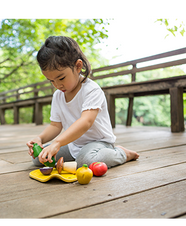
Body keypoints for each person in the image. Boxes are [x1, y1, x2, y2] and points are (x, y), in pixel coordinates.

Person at [26, 36, 139, 169]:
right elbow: (55, 126)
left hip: (99, 143)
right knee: (40, 159)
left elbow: (86, 122)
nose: (57, 85)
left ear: (78, 66)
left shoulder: (91, 90)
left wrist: (57, 142)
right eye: (51, 81)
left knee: (85, 161)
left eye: (61, 78)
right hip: (73, 143)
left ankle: (121, 153)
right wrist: (40, 139)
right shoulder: (58, 95)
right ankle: (74, 156)